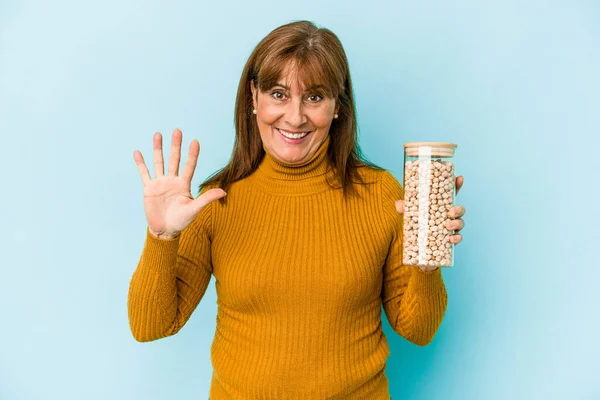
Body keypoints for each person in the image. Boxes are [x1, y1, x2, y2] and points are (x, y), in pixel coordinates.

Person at [128, 20, 466, 400]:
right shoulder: (216, 201)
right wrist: (161, 237)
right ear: (253, 97)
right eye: (278, 94)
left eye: (315, 97)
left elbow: (418, 331)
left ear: (338, 106)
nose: (295, 117)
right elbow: (150, 325)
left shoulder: (381, 193)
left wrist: (427, 264)